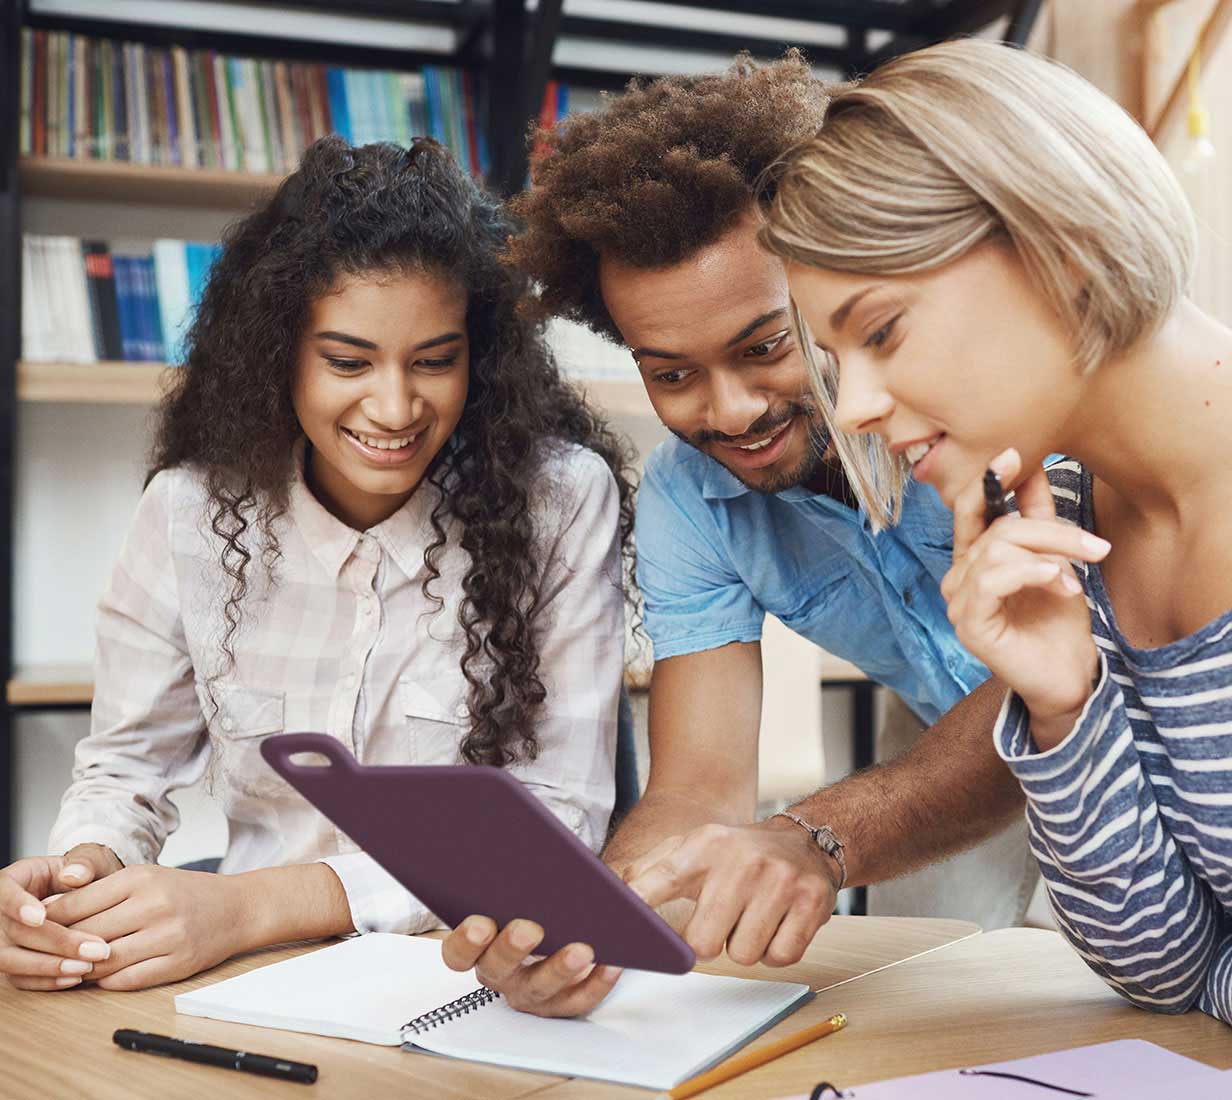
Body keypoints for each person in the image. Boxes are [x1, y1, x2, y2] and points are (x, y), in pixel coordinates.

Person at [443, 53, 1035, 1018]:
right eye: (670, 373)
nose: (731, 412)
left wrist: (816, 835)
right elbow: (699, 790)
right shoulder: (686, 505)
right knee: (940, 1012)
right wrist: (589, 919)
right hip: (940, 728)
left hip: (1129, 713)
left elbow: (1058, 686)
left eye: (765, 348)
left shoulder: (983, 405)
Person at [0, 136, 633, 993]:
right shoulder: (189, 513)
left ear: (479, 361)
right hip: (246, 973)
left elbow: (561, 817)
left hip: (468, 979)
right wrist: (75, 887)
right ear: (276, 355)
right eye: (347, 361)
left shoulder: (559, 501)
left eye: (435, 361)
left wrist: (253, 906)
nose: (397, 407)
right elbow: (127, 769)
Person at [766, 39, 1232, 1024]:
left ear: (1058, 247)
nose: (847, 407)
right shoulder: (1067, 525)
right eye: (834, 356)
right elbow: (1169, 969)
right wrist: (1064, 704)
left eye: (880, 330)